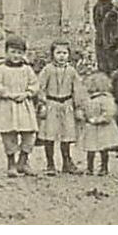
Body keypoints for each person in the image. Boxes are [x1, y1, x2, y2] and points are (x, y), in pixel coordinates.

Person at [0, 35, 40, 177]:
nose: (16, 56)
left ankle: (23, 161)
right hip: (7, 106)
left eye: (19, 52)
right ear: (6, 52)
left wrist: (27, 93)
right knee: (9, 135)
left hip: (24, 105)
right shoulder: (1, 69)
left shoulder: (27, 69)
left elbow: (35, 84)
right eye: (13, 52)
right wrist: (8, 94)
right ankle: (11, 163)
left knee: (29, 134)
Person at [35, 41, 83, 175]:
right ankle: (50, 163)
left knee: (66, 135)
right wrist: (42, 103)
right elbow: (40, 87)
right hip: (51, 104)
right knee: (49, 135)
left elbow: (77, 90)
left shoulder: (72, 71)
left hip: (67, 105)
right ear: (53, 54)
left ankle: (67, 162)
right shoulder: (47, 70)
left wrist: (78, 107)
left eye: (64, 53)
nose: (62, 56)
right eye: (58, 53)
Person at [79, 71, 118, 176]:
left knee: (103, 149)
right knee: (90, 149)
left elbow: (109, 113)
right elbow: (83, 109)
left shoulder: (106, 99)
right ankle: (89, 168)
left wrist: (98, 119)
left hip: (103, 128)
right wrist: (83, 116)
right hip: (91, 127)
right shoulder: (87, 99)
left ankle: (104, 168)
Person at [89, 0, 114, 71]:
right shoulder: (96, 7)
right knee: (102, 62)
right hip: (100, 38)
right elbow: (96, 23)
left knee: (112, 62)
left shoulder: (113, 6)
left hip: (111, 38)